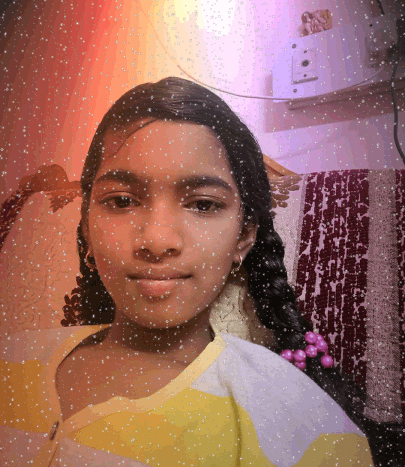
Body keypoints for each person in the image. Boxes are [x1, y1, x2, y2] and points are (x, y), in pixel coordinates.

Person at [0, 76, 400, 466]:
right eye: (122, 201)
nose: (157, 240)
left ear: (244, 236)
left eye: (203, 204)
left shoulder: (301, 427)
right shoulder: (11, 355)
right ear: (87, 225)